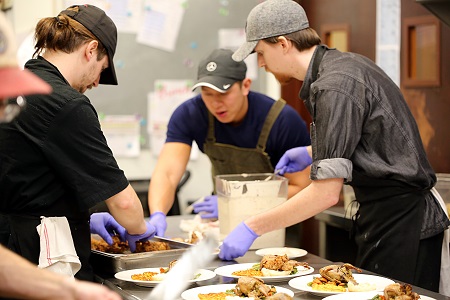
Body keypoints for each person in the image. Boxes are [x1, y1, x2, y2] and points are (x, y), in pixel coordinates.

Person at [219, 0, 450, 294]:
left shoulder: (335, 84)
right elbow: (371, 138)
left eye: (261, 53)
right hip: (385, 218)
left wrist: (252, 227)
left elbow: (326, 193)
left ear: (283, 43)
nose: (261, 63)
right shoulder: (342, 66)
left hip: (404, 223)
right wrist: (312, 153)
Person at [0, 5, 156, 282]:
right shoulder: (66, 104)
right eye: (101, 69)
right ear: (91, 49)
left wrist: (88, 214)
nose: (96, 82)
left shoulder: (16, 89)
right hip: (42, 255)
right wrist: (141, 228)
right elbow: (126, 205)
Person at [147, 48, 311, 236]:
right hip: (222, 224)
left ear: (245, 85)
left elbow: (302, 189)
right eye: (207, 94)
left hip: (275, 226)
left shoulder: (282, 120)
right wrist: (157, 214)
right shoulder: (190, 114)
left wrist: (237, 202)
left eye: (223, 93)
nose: (216, 103)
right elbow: (167, 174)